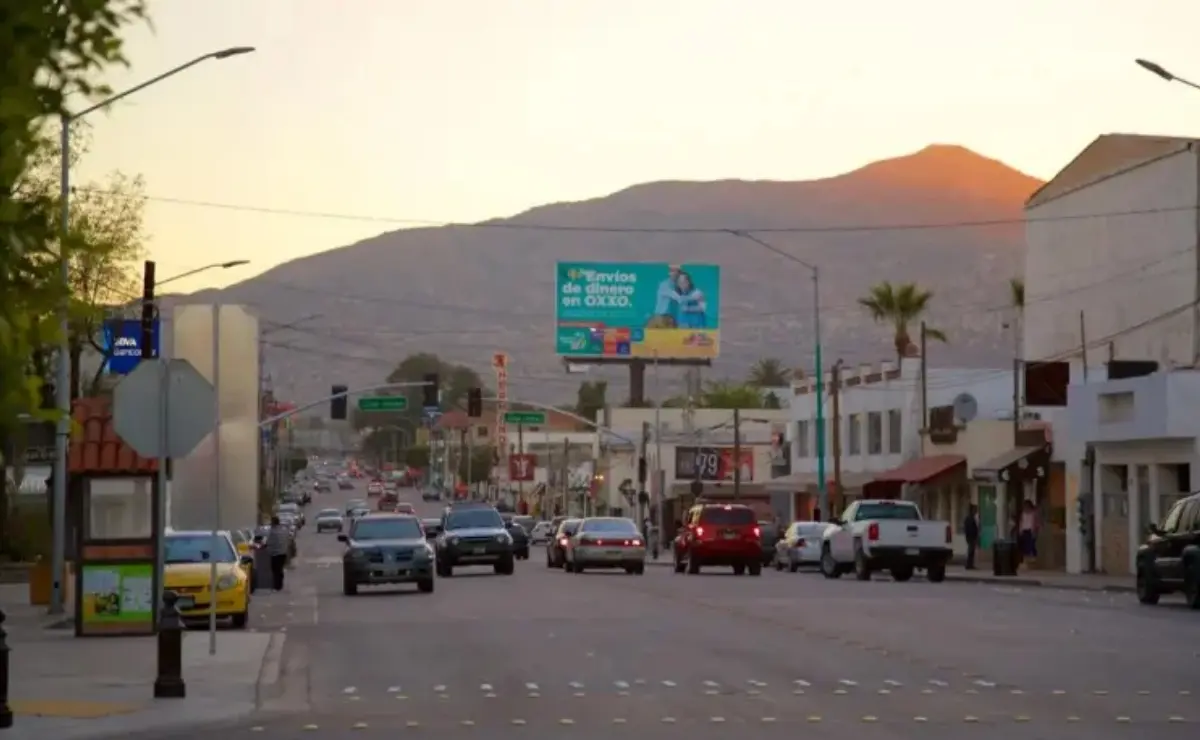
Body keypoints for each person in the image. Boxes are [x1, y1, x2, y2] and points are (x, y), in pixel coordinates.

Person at [265, 515, 290, 591]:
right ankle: (280, 585)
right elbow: (287, 540)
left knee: (275, 570)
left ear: (273, 523)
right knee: (280, 569)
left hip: (275, 554)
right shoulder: (283, 530)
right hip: (283, 553)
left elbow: (269, 542)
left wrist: (266, 547)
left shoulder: (273, 531)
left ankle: (277, 586)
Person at [1018, 500, 1038, 564]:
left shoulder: (1033, 513)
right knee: (1024, 545)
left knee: (1031, 544)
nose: (1025, 507)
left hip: (1030, 530)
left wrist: (1034, 531)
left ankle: (1033, 558)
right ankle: (1025, 559)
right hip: (1024, 530)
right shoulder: (1023, 513)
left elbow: (1034, 522)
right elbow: (1021, 522)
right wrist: (1020, 530)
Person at [963, 504, 980, 570]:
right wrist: (972, 536)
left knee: (971, 551)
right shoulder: (970, 518)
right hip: (971, 537)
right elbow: (969, 529)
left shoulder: (971, 518)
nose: (976, 511)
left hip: (971, 537)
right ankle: (969, 564)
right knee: (970, 551)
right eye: (975, 510)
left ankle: (970, 564)